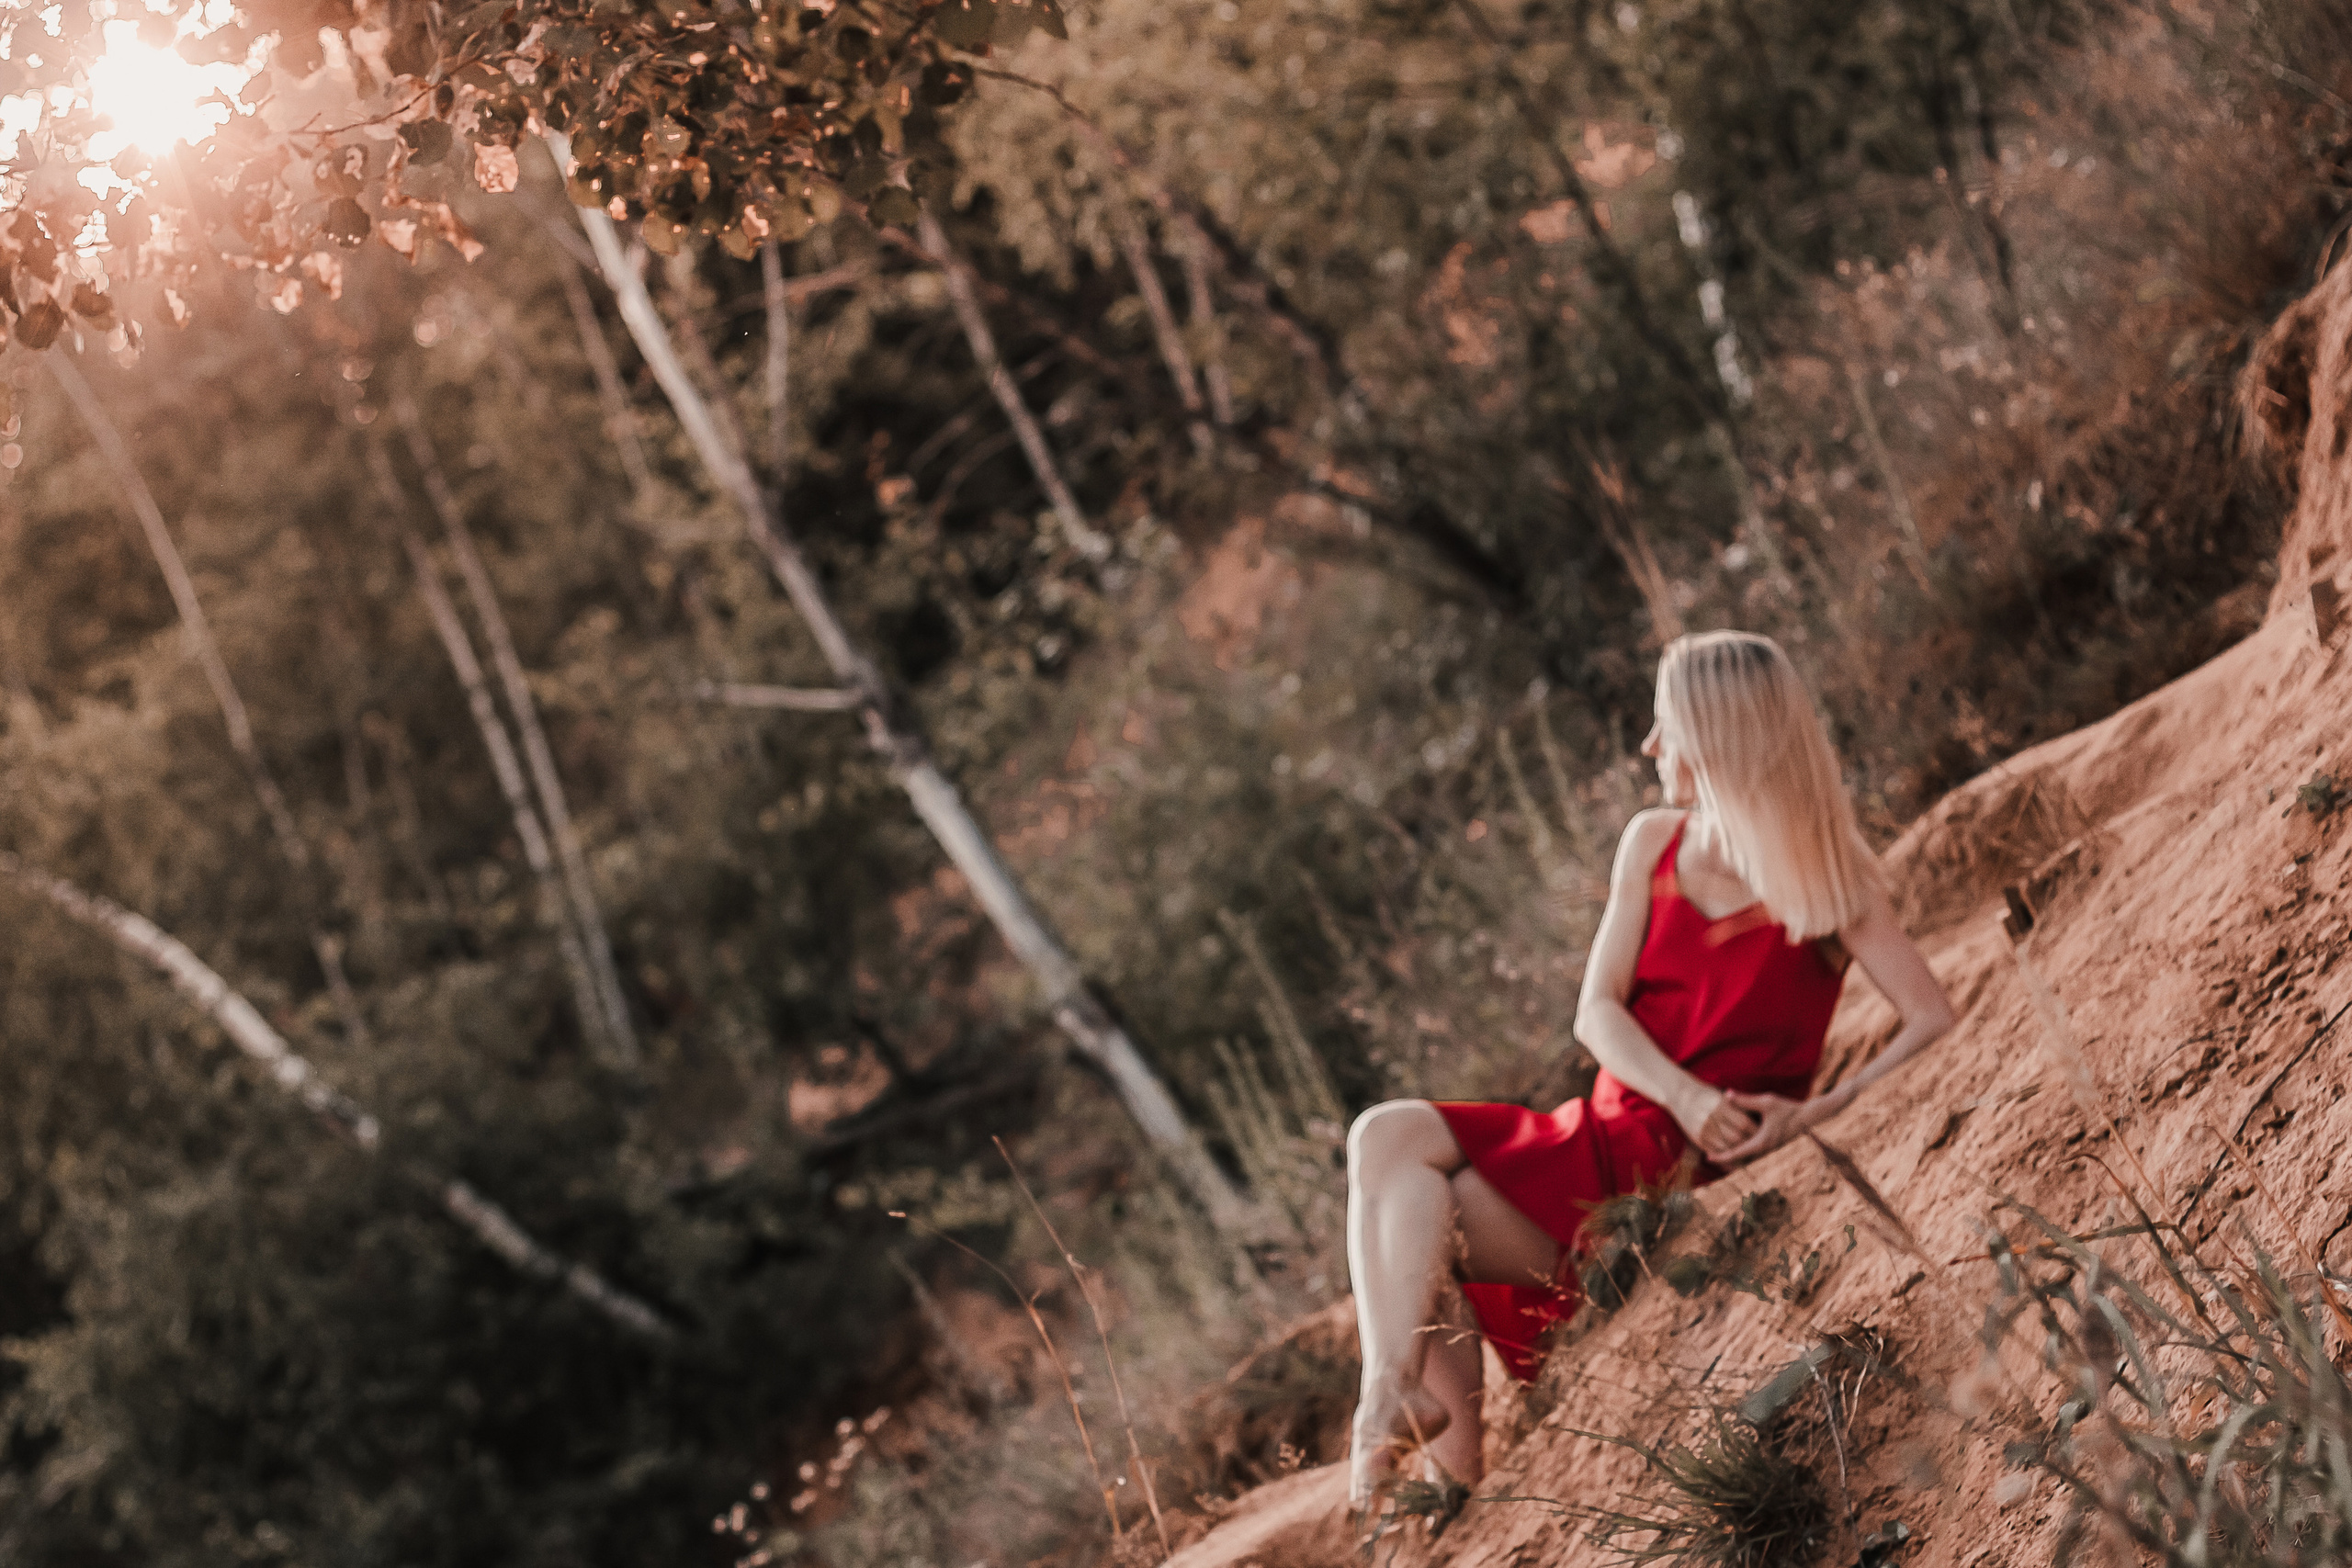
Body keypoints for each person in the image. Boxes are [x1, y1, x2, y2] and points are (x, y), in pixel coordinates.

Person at [1344, 630, 1955, 1506]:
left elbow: (1931, 1017)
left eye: (1663, 725)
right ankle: (1393, 1400)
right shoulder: (1654, 842)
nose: (1649, 746)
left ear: (1714, 736)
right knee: (1385, 1137)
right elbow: (1596, 1009)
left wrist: (1811, 1112)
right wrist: (1685, 1090)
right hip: (1606, 1129)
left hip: (1679, 1179)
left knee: (1416, 1212)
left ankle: (1438, 1475)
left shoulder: (1829, 875)